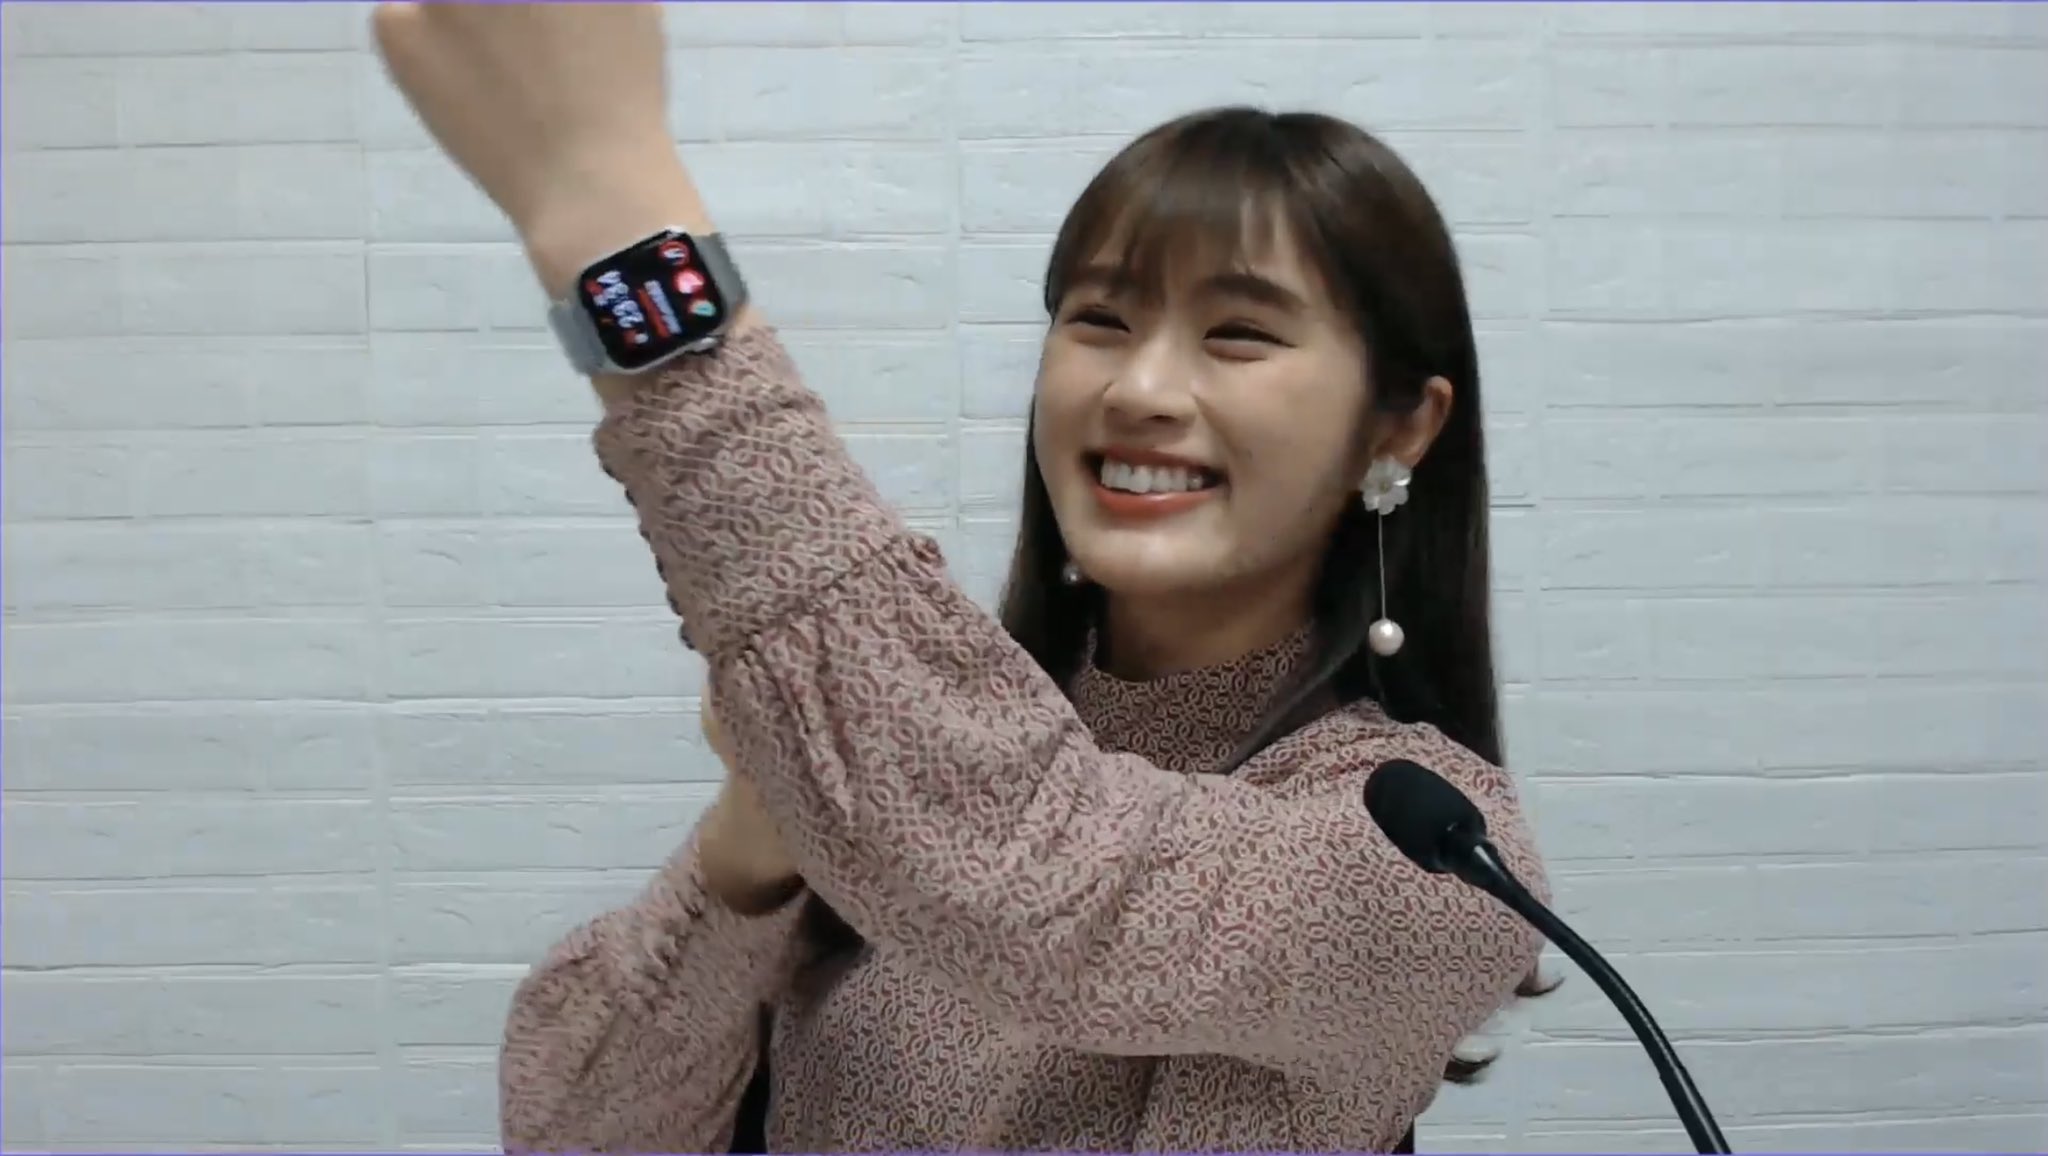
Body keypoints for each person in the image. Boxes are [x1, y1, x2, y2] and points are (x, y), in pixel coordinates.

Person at [375, 5, 1556, 1152]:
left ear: (1396, 428)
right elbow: (574, 1126)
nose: (1139, 388)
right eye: (1099, 319)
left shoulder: (1427, 854)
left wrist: (611, 213)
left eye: (1238, 333)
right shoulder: (907, 759)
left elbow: (1026, 878)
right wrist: (745, 861)